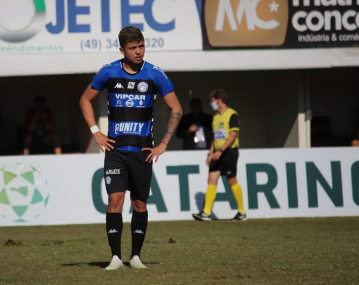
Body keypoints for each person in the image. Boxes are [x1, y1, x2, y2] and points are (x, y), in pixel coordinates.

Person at [80, 26, 182, 270]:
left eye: (141, 46)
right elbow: (85, 99)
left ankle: (135, 257)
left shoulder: (155, 74)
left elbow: (176, 109)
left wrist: (163, 144)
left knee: (139, 204)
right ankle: (115, 257)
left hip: (142, 152)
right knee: (115, 201)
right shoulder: (108, 72)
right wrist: (96, 132)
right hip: (115, 151)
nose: (138, 52)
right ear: (122, 50)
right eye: (133, 48)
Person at [192, 89, 247, 222]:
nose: (212, 104)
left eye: (213, 101)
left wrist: (220, 150)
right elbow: (215, 137)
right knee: (211, 179)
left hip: (228, 152)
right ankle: (206, 213)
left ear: (219, 100)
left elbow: (233, 136)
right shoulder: (216, 117)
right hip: (216, 153)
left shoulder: (232, 115)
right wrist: (210, 153)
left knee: (231, 180)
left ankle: (241, 212)